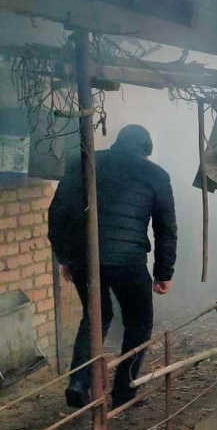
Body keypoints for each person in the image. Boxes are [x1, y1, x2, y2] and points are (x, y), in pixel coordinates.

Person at [48, 124, 178, 409]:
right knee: (139, 322)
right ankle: (123, 391)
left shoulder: (84, 162)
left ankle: (78, 383)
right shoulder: (155, 175)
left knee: (95, 315)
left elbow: (57, 213)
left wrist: (66, 258)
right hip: (127, 261)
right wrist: (163, 273)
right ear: (146, 150)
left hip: (85, 258)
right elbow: (166, 228)